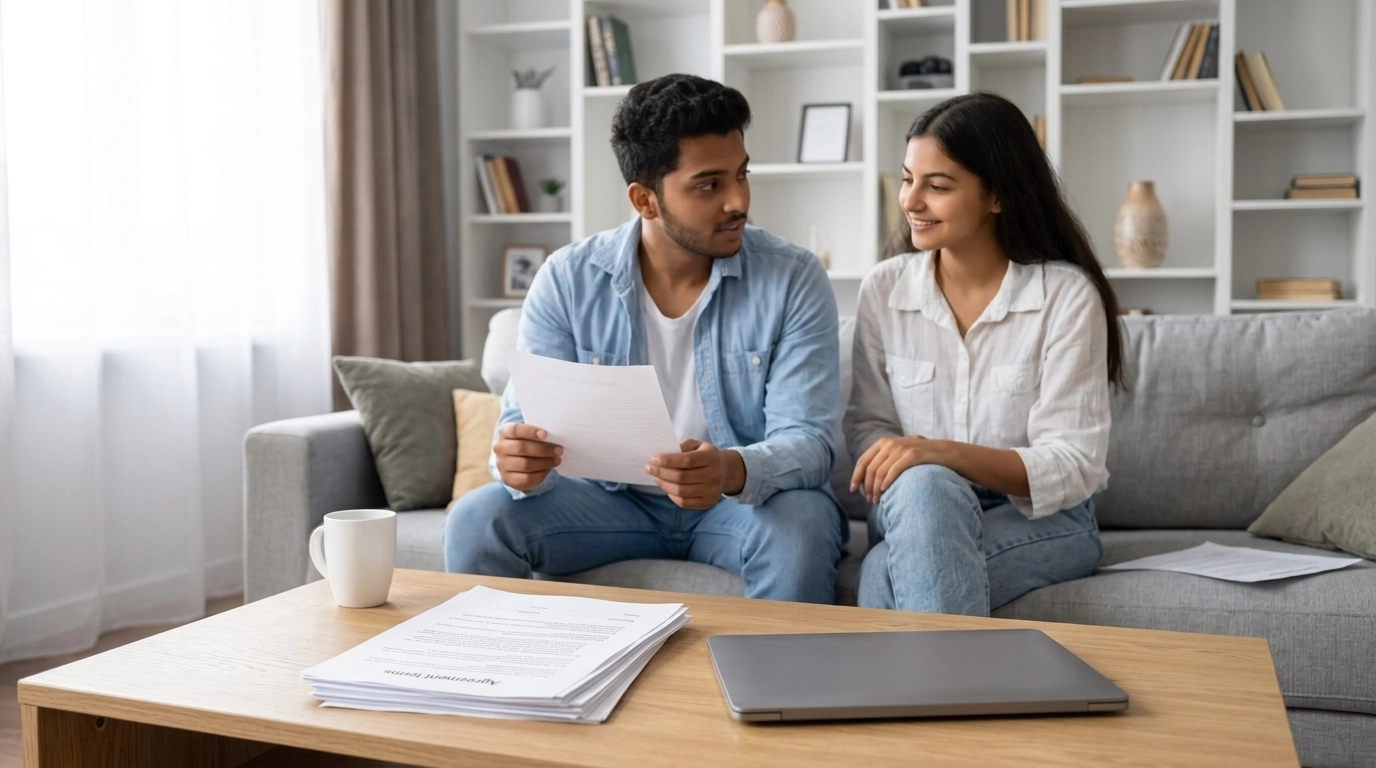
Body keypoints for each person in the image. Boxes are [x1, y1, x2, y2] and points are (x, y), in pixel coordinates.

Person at [444, 74, 846, 603]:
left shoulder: (793, 277)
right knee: (477, 518)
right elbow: (521, 428)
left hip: (738, 505)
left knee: (803, 524)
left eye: (741, 175)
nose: (738, 201)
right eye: (709, 184)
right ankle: (503, 683)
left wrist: (730, 467)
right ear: (645, 200)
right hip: (607, 505)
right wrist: (517, 464)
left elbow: (811, 443)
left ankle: (775, 687)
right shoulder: (567, 279)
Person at [846, 92, 1126, 616]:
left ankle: (920, 696)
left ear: (996, 195)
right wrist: (926, 467)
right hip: (913, 503)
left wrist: (944, 452)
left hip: (1041, 519)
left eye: (938, 185)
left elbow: (1074, 464)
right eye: (909, 179)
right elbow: (868, 427)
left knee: (886, 574)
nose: (910, 201)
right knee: (928, 489)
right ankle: (963, 699)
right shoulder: (883, 290)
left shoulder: (1065, 296)